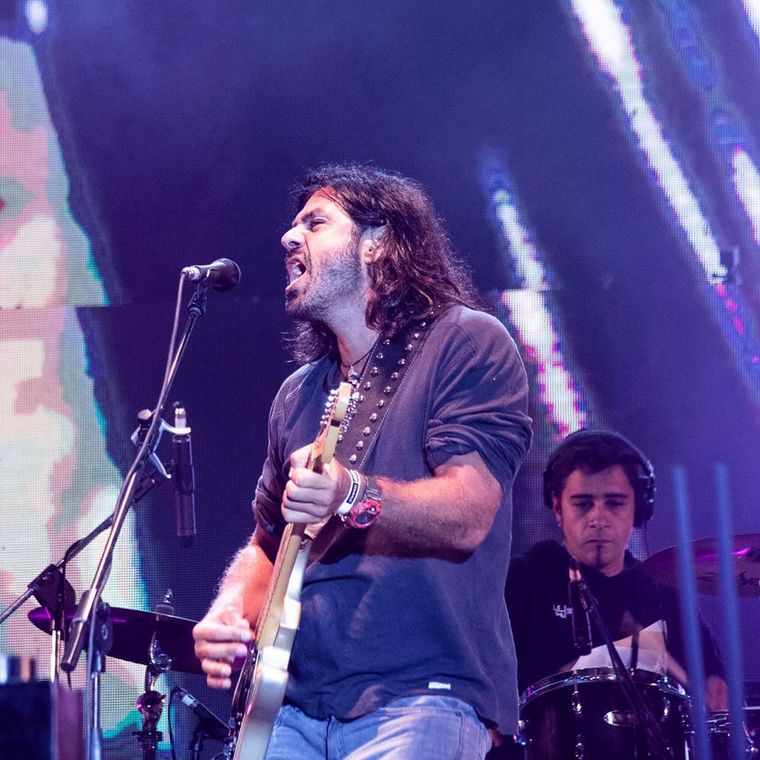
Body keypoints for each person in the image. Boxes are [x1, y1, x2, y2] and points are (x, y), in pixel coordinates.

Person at [192, 163, 533, 759]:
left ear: (376, 243)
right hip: (290, 708)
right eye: (294, 226)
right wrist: (228, 611)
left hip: (421, 696)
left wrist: (351, 494)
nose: (288, 237)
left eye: (315, 223)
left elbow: (469, 511)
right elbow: (268, 544)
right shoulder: (297, 394)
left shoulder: (466, 341)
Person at [506, 429, 728, 710]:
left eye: (614, 503)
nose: (598, 518)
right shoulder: (525, 579)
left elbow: (714, 689)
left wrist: (714, 688)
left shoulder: (662, 590)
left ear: (638, 509)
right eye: (583, 504)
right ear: (558, 508)